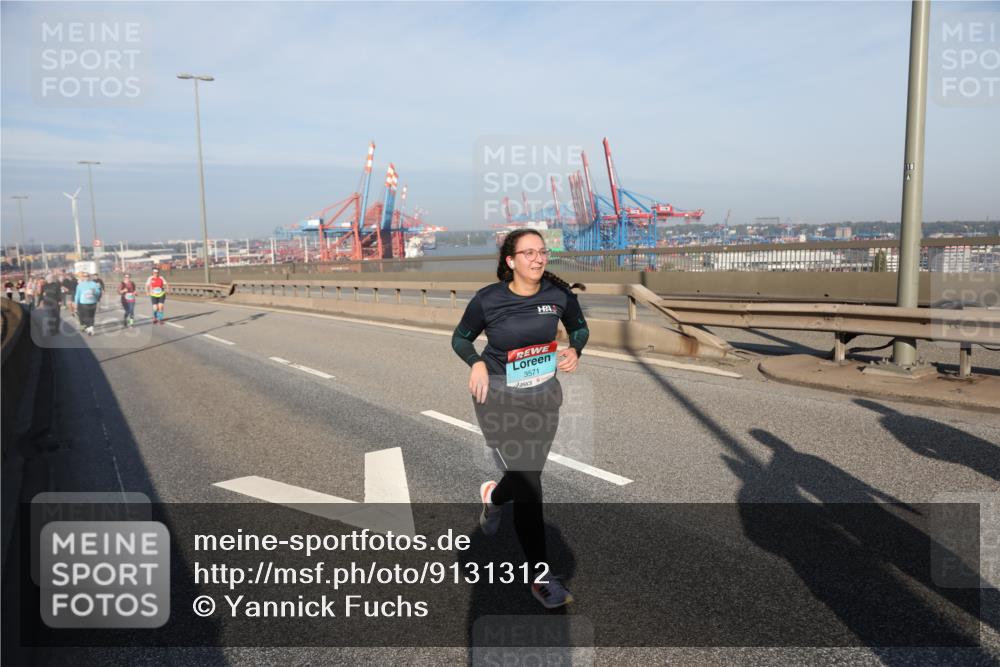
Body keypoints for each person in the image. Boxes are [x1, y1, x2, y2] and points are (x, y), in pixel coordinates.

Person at [451, 229, 590, 610]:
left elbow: (580, 328)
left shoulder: (559, 296)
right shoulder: (488, 300)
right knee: (529, 482)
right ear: (510, 261)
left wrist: (575, 349)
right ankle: (540, 577)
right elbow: (460, 338)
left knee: (528, 474)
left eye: (542, 252)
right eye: (528, 253)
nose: (538, 258)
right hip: (496, 394)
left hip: (542, 395)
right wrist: (476, 362)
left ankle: (494, 498)